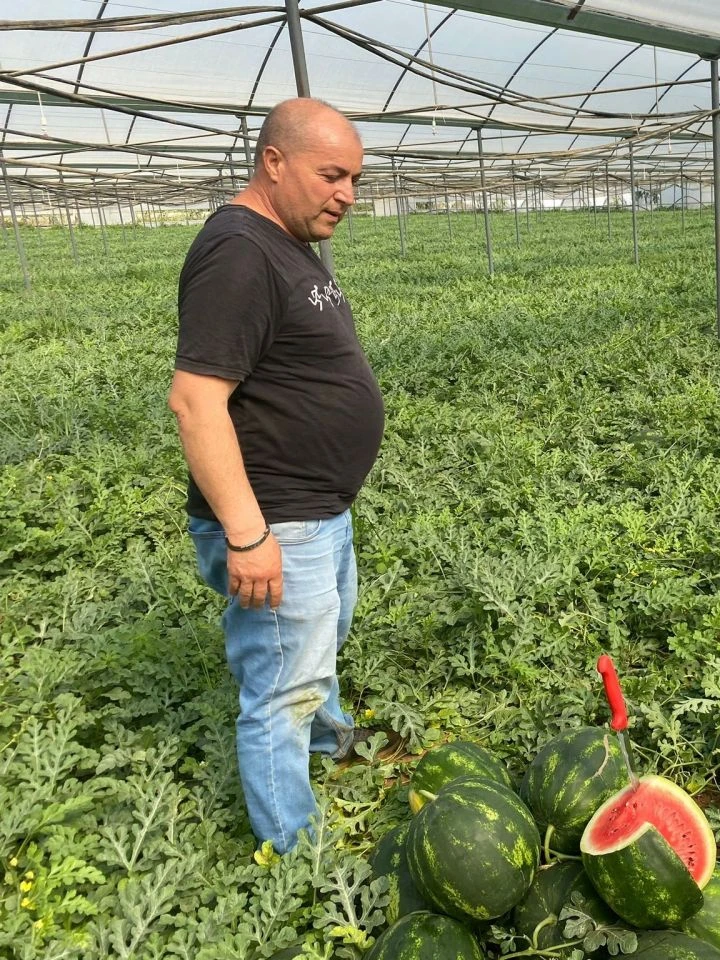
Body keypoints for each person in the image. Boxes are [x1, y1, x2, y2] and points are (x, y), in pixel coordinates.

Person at [167, 98, 387, 853]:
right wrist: (247, 534)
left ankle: (327, 742)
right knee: (281, 687)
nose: (347, 194)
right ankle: (294, 852)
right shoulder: (239, 251)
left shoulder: (287, 242)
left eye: (355, 179)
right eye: (332, 175)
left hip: (314, 510)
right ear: (273, 162)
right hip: (276, 519)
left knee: (316, 646)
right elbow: (196, 402)